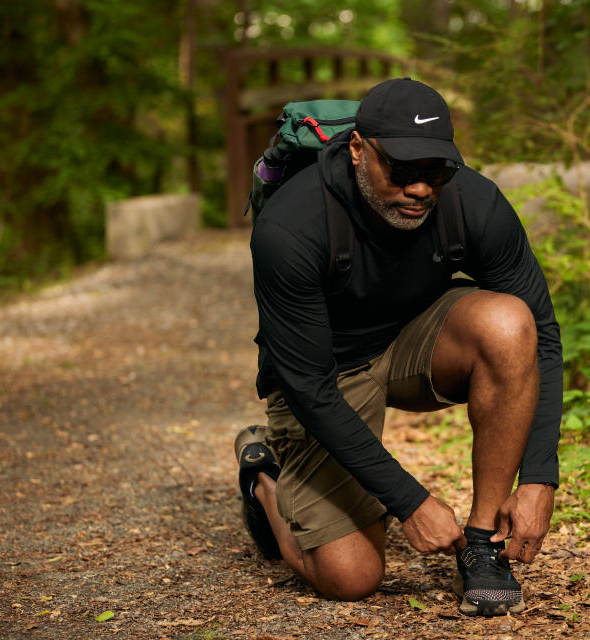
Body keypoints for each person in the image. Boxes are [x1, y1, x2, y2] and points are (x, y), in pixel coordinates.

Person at [237, 77, 563, 617]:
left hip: (418, 344)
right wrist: (409, 501)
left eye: (436, 171)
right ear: (359, 149)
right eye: (403, 171)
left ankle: (482, 545)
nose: (421, 189)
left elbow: (543, 337)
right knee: (351, 576)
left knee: (510, 323)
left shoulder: (474, 203)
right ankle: (263, 479)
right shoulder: (291, 226)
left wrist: (538, 478)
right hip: (329, 374)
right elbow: (310, 388)